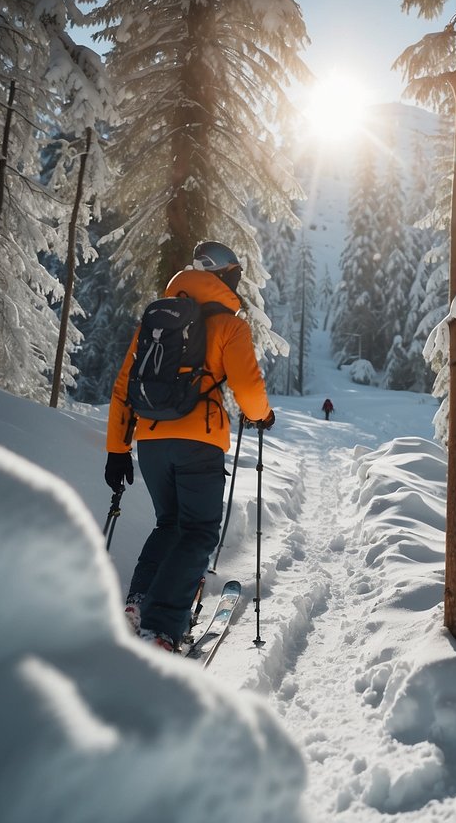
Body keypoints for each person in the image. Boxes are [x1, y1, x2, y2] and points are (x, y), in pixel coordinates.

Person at [104, 240, 275, 652]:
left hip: (150, 440)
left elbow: (124, 386)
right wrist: (262, 415)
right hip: (199, 442)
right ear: (226, 277)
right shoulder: (230, 325)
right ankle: (161, 627)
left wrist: (117, 448)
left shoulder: (156, 323)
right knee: (198, 531)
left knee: (169, 524)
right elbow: (248, 388)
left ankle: (139, 605)